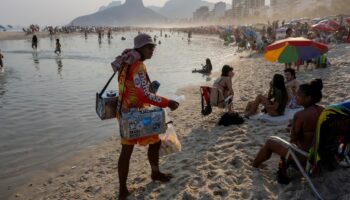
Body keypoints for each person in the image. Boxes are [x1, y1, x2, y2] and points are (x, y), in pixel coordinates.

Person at [116, 33, 179, 199]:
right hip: (135, 114)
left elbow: (132, 88)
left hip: (124, 111)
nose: (152, 50)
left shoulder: (126, 61)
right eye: (148, 47)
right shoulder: (138, 66)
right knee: (128, 150)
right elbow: (144, 95)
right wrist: (167, 102)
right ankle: (124, 189)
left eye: (153, 47)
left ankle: (152, 175)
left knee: (154, 142)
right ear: (140, 48)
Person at [252, 79, 324, 167]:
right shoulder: (323, 111)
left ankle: (254, 165)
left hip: (304, 157)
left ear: (308, 98)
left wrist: (292, 128)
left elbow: (293, 140)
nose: (296, 96)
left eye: (299, 94)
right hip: (321, 154)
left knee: (270, 142)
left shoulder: (300, 115)